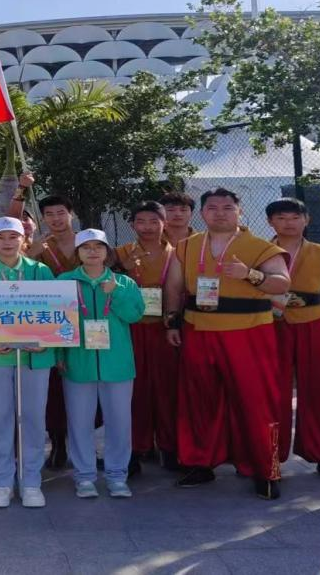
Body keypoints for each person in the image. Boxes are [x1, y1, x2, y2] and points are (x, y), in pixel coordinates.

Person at [163, 188, 291, 500]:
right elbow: (174, 286)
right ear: (202, 213)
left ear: (239, 211)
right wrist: (172, 321)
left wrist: (251, 275)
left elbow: (282, 284)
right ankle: (200, 463)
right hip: (198, 329)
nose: (219, 213)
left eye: (227, 207)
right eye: (212, 207)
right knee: (198, 399)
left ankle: (265, 469)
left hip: (249, 331)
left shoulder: (261, 247)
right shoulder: (186, 247)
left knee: (255, 401)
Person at [0, 217, 57, 508]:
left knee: (33, 417)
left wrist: (46, 340)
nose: (7, 242)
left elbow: (57, 313)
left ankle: (31, 481)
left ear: (24, 240)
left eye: (13, 237)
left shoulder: (40, 271)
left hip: (33, 358)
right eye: (0, 237)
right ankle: (1, 481)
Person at [266, 198, 320, 483]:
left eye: (295, 217)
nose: (288, 223)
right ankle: (267, 457)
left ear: (307, 220)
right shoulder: (258, 252)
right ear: (270, 222)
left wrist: (305, 305)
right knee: (270, 391)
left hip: (313, 323)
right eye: (281, 217)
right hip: (270, 324)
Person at [59, 229, 145, 499]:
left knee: (119, 422)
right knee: (79, 422)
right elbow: (55, 322)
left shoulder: (124, 283)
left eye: (99, 246)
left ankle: (117, 476)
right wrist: (59, 355)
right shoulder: (64, 282)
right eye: (86, 247)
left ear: (108, 252)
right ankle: (84, 476)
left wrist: (115, 293)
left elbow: (134, 315)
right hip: (78, 362)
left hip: (116, 364)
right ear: (78, 253)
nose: (93, 251)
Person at [116, 201, 180, 475]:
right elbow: (106, 284)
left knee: (167, 389)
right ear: (132, 224)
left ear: (164, 223)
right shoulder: (120, 253)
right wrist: (122, 269)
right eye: (141, 221)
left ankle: (169, 447)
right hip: (130, 329)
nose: (147, 227)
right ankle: (133, 449)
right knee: (134, 390)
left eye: (154, 221)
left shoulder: (178, 253)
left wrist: (174, 321)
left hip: (165, 329)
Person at [27, 187, 79, 470]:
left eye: (61, 213)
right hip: (51, 321)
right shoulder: (39, 247)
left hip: (86, 319)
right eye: (49, 214)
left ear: (71, 214)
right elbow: (22, 280)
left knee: (84, 379)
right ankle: (58, 443)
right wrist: (31, 255)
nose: (56, 219)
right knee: (54, 385)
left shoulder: (88, 242)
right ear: (43, 218)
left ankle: (83, 444)